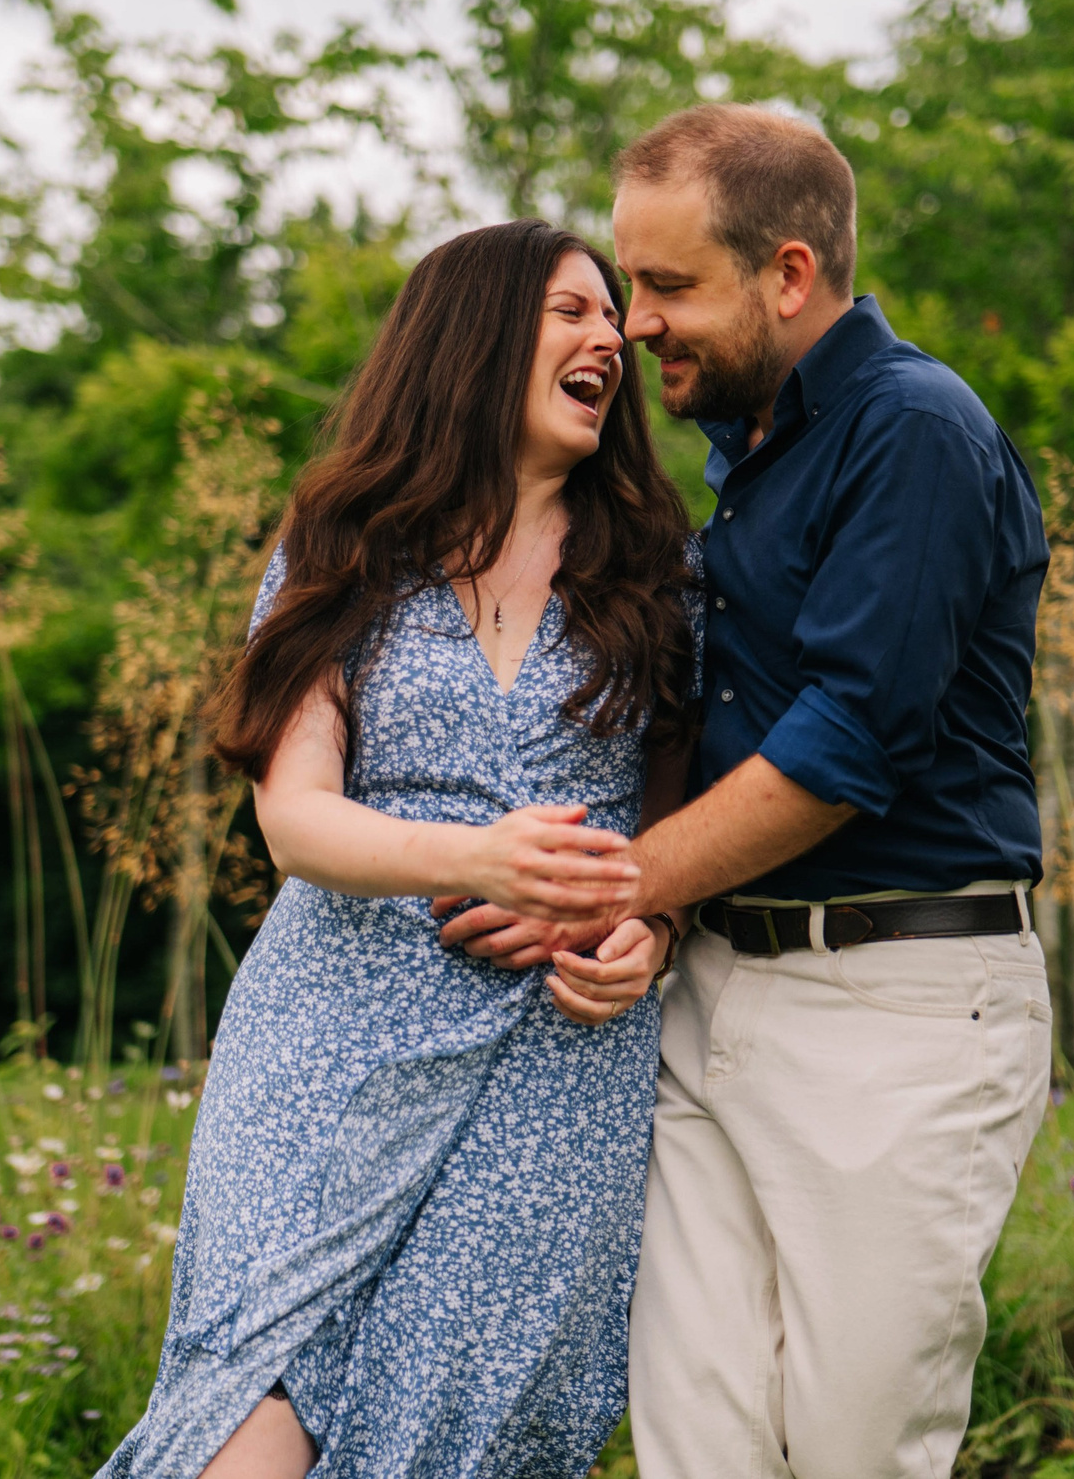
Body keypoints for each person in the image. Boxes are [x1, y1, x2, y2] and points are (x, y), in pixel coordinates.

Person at [439, 105, 1054, 1479]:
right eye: (627, 282)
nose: (635, 323)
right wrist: (655, 918)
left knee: (851, 1450)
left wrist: (604, 886)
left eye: (667, 286)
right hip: (713, 995)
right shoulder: (748, 462)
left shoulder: (913, 430)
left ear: (787, 273)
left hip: (900, 1004)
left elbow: (847, 743)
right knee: (699, 1445)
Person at [99, 219, 702, 1479]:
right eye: (571, 312)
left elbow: (676, 826)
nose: (614, 338)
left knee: (461, 1424)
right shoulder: (342, 548)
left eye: (615, 318)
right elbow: (294, 816)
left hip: (557, 1062)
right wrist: (477, 859)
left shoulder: (660, 569)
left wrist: (646, 934)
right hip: (332, 1040)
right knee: (241, 1418)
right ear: (473, 339)